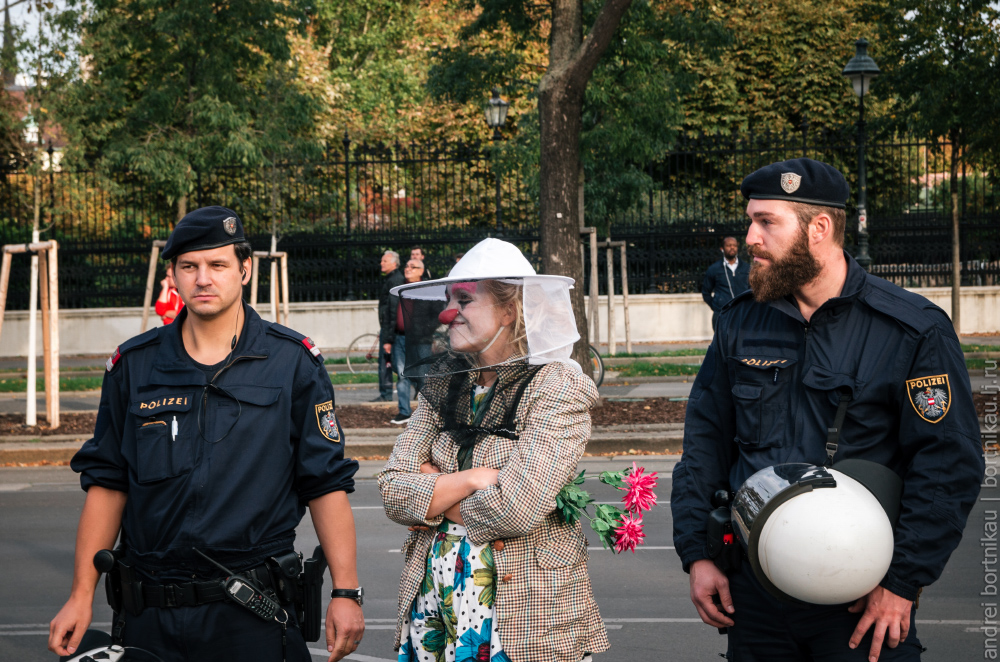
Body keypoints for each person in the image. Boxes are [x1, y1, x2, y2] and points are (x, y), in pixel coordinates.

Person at [671, 158, 983, 662]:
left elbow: (948, 463)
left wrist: (903, 582)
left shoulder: (910, 329)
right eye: (750, 220)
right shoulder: (740, 322)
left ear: (818, 228)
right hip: (755, 598)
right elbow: (703, 443)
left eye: (766, 222)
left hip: (859, 604)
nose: (750, 237)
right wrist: (697, 556)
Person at [49, 206, 366, 662]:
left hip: (252, 615)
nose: (203, 278)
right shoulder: (134, 366)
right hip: (148, 616)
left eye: (217, 265)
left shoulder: (293, 363)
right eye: (189, 266)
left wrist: (346, 591)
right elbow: (108, 483)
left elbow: (325, 483)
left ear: (244, 269)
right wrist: (81, 594)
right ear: (173, 276)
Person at [379, 238, 608, 662]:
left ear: (509, 310)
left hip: (520, 615)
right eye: (449, 300)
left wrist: (434, 485)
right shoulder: (446, 381)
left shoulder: (556, 385)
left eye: (464, 299)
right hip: (435, 605)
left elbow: (515, 508)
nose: (450, 312)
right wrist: (470, 480)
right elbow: (393, 490)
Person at [385, 258, 428, 425]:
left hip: (420, 340)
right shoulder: (397, 289)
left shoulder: (426, 289)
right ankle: (404, 412)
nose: (408, 269)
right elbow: (389, 315)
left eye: (413, 266)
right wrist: (388, 340)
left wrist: (426, 332)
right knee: (402, 375)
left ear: (421, 271)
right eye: (407, 265)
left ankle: (426, 414)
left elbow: (435, 313)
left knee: (423, 377)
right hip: (400, 338)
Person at [701, 236, 750, 332]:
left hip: (742, 313)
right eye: (729, 245)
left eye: (734, 245)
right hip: (722, 314)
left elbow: (752, 290)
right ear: (722, 249)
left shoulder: (747, 268)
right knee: (722, 344)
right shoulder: (714, 269)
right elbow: (706, 292)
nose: (732, 247)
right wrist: (716, 306)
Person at [377, 250, 406, 403]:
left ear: (394, 263)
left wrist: (388, 336)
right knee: (391, 362)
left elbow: (392, 310)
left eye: (384, 261)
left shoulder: (395, 280)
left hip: (390, 329)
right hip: (389, 327)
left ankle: (386, 393)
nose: (381, 263)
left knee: (387, 362)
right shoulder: (392, 279)